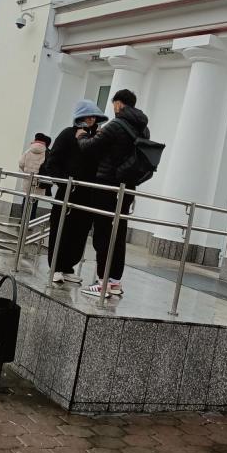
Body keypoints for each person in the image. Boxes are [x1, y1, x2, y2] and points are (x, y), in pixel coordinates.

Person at [76, 89, 149, 297]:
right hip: (128, 187)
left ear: (118, 104)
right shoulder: (144, 128)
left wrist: (82, 136)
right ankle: (115, 281)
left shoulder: (116, 125)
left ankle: (103, 282)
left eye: (113, 104)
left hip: (107, 185)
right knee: (118, 233)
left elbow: (91, 147)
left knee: (103, 233)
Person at [42, 100, 108, 284]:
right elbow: (51, 163)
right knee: (61, 229)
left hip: (88, 194)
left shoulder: (96, 139)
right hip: (68, 192)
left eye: (93, 116)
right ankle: (56, 267)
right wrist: (64, 182)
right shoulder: (67, 135)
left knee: (80, 232)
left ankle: (68, 267)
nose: (91, 119)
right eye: (87, 116)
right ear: (80, 116)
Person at [18, 133, 51, 222]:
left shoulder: (29, 150)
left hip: (28, 179)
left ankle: (22, 219)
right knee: (35, 201)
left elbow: (21, 163)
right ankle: (31, 221)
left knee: (26, 199)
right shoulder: (46, 152)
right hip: (38, 181)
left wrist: (26, 171)